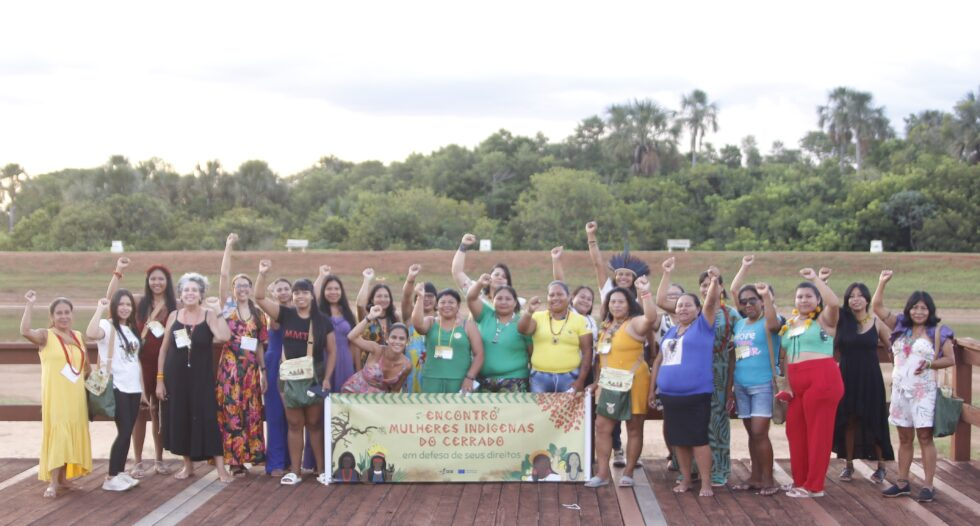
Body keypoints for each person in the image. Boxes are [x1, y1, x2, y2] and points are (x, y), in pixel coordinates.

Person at [872, 271, 955, 503]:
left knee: (925, 437)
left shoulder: (937, 332)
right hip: (900, 391)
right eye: (915, 307)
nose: (919, 312)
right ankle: (902, 482)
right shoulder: (900, 327)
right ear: (908, 309)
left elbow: (950, 359)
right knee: (904, 437)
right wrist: (882, 282)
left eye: (924, 308)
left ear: (930, 311)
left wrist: (930, 363)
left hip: (924, 392)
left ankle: (928, 485)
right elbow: (877, 306)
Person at [254, 260, 337, 486]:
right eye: (296, 293)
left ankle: (321, 470)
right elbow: (259, 298)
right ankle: (296, 471)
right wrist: (262, 274)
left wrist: (328, 379)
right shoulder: (286, 315)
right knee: (293, 424)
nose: (300, 297)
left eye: (304, 293)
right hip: (289, 377)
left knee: (314, 423)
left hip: (315, 377)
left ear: (312, 295)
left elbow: (332, 351)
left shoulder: (323, 321)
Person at [659, 263, 741, 487]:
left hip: (719, 371)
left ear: (720, 287)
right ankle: (690, 470)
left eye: (710, 285)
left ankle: (720, 468)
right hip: (689, 373)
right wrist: (666, 273)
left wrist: (731, 384)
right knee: (689, 428)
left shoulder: (727, 314)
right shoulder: (688, 319)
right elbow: (661, 303)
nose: (706, 289)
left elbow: (739, 345)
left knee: (717, 423)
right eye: (702, 285)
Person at [649, 258, 720, 497]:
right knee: (678, 439)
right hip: (670, 395)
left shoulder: (703, 325)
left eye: (688, 305)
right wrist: (666, 273)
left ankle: (707, 483)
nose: (682, 308)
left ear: (698, 310)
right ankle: (686, 479)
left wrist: (714, 281)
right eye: (679, 305)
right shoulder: (671, 329)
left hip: (696, 393)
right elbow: (660, 359)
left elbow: (711, 302)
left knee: (698, 439)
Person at [155, 273, 233, 483]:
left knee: (208, 418)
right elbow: (163, 350)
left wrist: (218, 310)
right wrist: (160, 379)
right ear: (180, 293)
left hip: (201, 378)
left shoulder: (208, 315)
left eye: (194, 290)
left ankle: (220, 468)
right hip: (176, 378)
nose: (190, 293)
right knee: (181, 418)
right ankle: (187, 465)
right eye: (186, 290)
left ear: (201, 294)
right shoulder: (173, 315)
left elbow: (225, 336)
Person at [585, 277, 659, 488]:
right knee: (602, 426)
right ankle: (602, 473)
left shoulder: (634, 322)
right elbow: (600, 358)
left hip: (634, 380)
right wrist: (597, 382)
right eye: (612, 301)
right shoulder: (606, 326)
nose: (616, 305)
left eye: (621, 301)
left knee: (634, 427)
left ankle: (628, 472)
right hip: (609, 382)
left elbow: (651, 318)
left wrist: (645, 293)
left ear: (629, 305)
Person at [107, 257, 176, 476]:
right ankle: (137, 461)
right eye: (153, 279)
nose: (157, 283)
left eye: (161, 279)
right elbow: (111, 299)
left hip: (164, 365)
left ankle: (158, 458)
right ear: (148, 281)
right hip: (139, 364)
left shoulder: (174, 306)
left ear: (167, 282)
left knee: (159, 413)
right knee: (139, 413)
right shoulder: (139, 303)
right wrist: (118, 272)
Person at [778, 267, 843, 498]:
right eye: (800, 296)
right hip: (797, 384)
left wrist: (816, 279)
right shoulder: (792, 323)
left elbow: (834, 304)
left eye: (809, 296)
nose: (803, 300)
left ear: (817, 300)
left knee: (818, 434)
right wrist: (786, 383)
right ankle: (800, 480)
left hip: (822, 379)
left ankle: (814, 486)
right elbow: (785, 355)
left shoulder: (824, 319)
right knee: (795, 431)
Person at [21, 292, 92, 498]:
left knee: (71, 433)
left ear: (72, 315)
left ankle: (63, 480)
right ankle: (52, 483)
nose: (63, 316)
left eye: (67, 312)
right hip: (56, 396)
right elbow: (25, 331)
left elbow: (85, 367)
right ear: (52, 316)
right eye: (59, 313)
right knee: (59, 433)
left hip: (76, 396)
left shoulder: (78, 336)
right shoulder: (46, 335)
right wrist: (29, 305)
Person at [832, 281, 894, 484]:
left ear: (867, 299)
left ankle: (881, 465)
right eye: (851, 295)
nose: (855, 299)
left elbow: (893, 347)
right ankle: (848, 465)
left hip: (871, 377)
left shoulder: (875, 321)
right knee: (849, 420)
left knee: (874, 418)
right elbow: (831, 349)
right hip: (847, 376)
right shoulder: (842, 320)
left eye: (859, 295)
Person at [216, 234, 267, 475]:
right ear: (234, 289)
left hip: (250, 371)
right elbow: (224, 275)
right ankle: (234, 460)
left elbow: (259, 345)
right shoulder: (227, 307)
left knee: (251, 410)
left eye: (247, 286)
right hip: (230, 368)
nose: (243, 289)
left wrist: (264, 371)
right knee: (232, 410)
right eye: (239, 286)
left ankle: (251, 454)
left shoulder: (258, 314)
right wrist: (228, 247)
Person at [86, 292, 143, 491]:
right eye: (121, 304)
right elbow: (91, 333)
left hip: (133, 387)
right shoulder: (107, 326)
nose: (125, 308)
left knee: (128, 432)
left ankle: (119, 472)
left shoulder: (131, 329)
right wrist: (100, 308)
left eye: (128, 304)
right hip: (117, 385)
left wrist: (142, 388)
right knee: (125, 431)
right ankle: (110, 477)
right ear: (114, 306)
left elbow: (135, 360)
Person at [729, 283, 782, 496]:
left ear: (762, 301)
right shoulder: (740, 324)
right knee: (752, 434)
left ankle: (769, 479)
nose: (748, 304)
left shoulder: (770, 322)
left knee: (761, 432)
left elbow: (774, 324)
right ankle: (755, 476)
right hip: (741, 384)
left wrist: (766, 296)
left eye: (753, 300)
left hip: (763, 384)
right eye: (744, 301)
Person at [518, 281, 594, 393]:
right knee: (540, 410)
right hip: (539, 378)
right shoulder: (537, 317)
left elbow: (587, 352)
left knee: (567, 411)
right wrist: (529, 311)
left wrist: (581, 380)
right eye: (551, 295)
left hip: (569, 377)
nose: (555, 298)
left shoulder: (580, 320)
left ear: (569, 298)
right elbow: (522, 330)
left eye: (560, 294)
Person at [412, 286, 485, 393]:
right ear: (437, 305)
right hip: (432, 379)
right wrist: (420, 297)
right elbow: (418, 325)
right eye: (443, 302)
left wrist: (470, 377)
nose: (447, 305)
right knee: (432, 410)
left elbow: (479, 354)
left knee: (456, 410)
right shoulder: (431, 322)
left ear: (458, 305)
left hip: (460, 380)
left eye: (451, 302)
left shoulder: (468, 326)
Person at [467, 273, 532, 392]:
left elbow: (531, 353)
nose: (503, 302)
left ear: (515, 303)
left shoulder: (522, 323)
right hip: (484, 380)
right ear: (493, 301)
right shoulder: (485, 315)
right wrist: (480, 284)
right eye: (499, 298)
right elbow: (471, 298)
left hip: (515, 380)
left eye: (508, 299)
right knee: (486, 412)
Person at [263, 276, 293, 477]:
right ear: (272, 294)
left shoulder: (300, 311)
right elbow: (276, 324)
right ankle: (275, 462)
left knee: (293, 414)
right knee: (275, 413)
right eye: (278, 289)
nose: (282, 292)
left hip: (296, 363)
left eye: (285, 288)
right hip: (275, 363)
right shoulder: (273, 312)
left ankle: (291, 459)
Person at [344, 310, 412, 393]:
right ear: (387, 338)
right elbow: (352, 337)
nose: (397, 341)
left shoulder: (407, 366)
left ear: (407, 341)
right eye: (394, 337)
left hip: (376, 401)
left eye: (401, 339)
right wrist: (368, 318)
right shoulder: (376, 349)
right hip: (353, 393)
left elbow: (395, 390)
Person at [314, 266, 358, 391]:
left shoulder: (348, 314)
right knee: (324, 398)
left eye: (336, 289)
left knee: (343, 398)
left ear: (341, 291)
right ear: (323, 291)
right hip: (324, 359)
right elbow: (311, 295)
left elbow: (354, 344)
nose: (333, 292)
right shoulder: (318, 312)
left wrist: (357, 369)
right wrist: (322, 275)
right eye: (329, 289)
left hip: (345, 360)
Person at [452, 233, 521, 307]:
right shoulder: (478, 296)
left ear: (508, 283)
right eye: (496, 275)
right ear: (489, 278)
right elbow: (457, 272)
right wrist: (463, 246)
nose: (500, 277)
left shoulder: (514, 303)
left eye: (504, 277)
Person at [354, 268, 400, 368]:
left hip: (390, 368)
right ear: (372, 299)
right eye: (379, 296)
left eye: (386, 296)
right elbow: (360, 304)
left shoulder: (395, 317)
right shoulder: (367, 316)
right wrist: (367, 279)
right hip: (368, 367)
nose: (383, 299)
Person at [400, 264, 434, 393]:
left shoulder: (440, 321)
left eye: (430, 296)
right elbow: (406, 298)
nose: (426, 299)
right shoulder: (409, 319)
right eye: (422, 296)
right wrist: (410, 279)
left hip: (433, 377)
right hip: (411, 377)